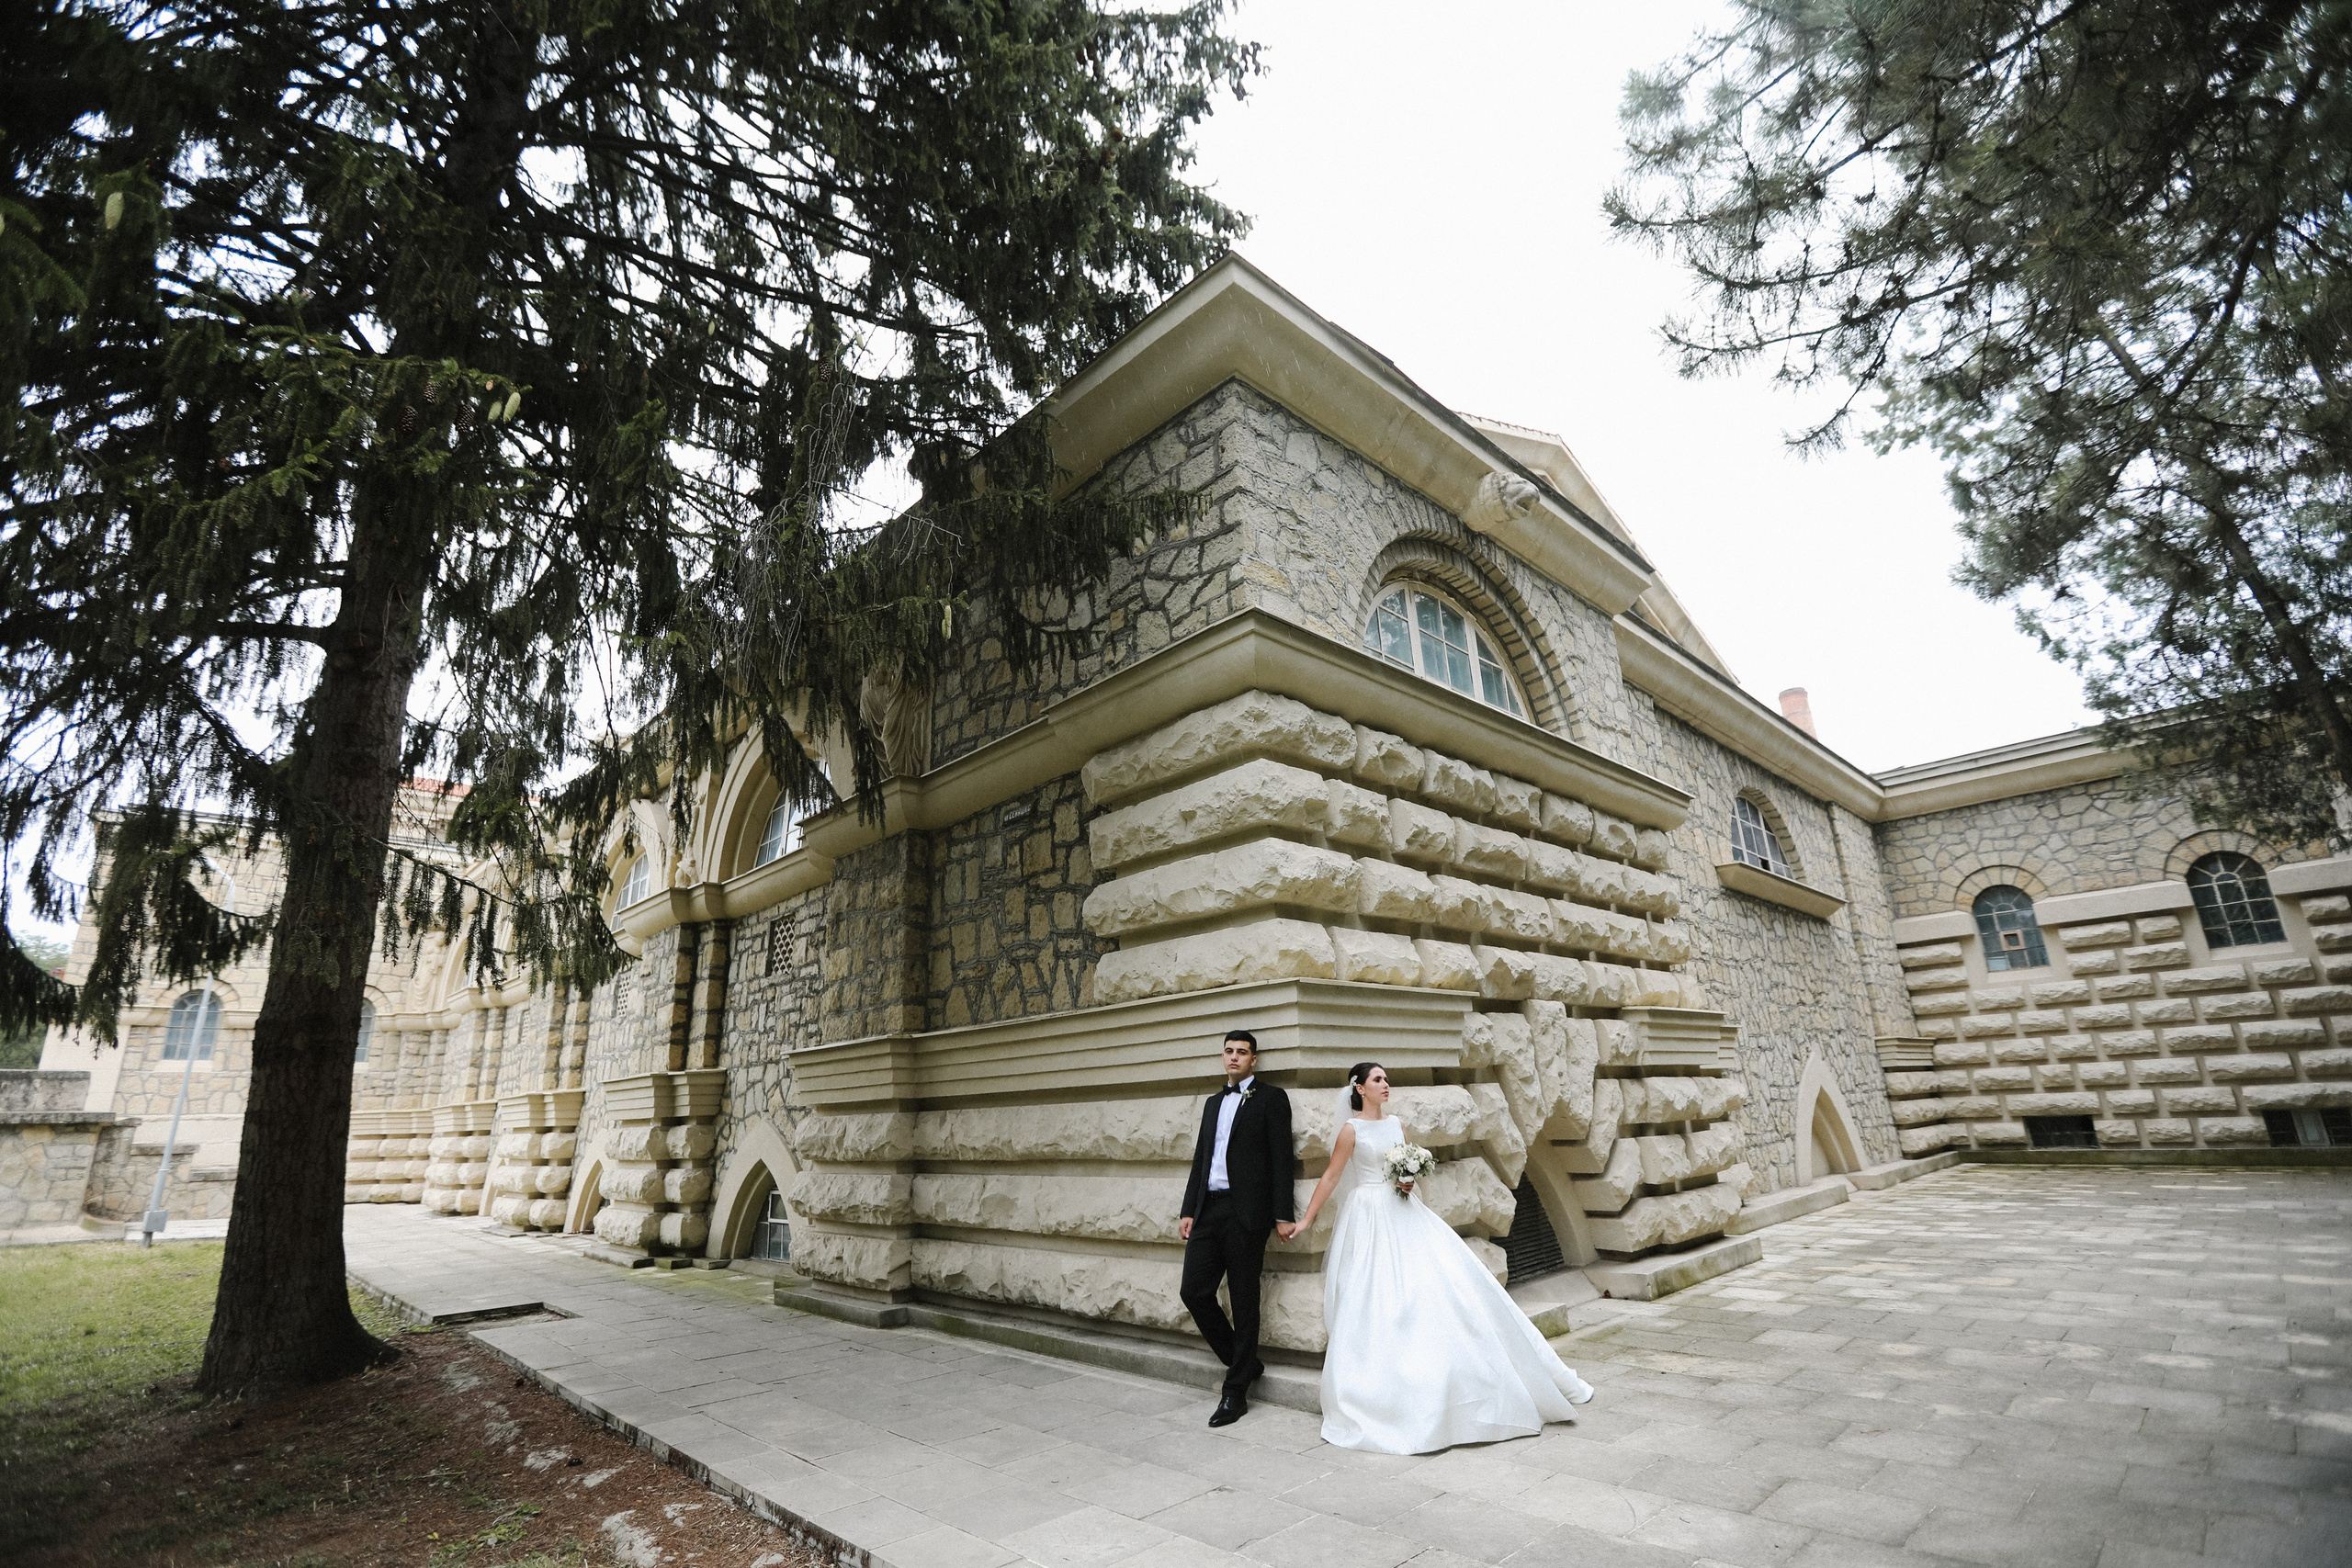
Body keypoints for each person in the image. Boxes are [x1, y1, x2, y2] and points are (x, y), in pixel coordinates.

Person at [1279, 1060, 1594, 1453]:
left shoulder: (1397, 1125)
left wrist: (1407, 1179)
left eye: (1386, 1079)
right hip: (1368, 1217)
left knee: (1437, 1286)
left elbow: (1404, 1174)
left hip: (1402, 1211)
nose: (1385, 1084)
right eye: (1377, 1079)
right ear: (1359, 1088)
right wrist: (1306, 1220)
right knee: (1373, 1295)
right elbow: (1331, 1177)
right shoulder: (1351, 1130)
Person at [1178, 1028, 1294, 1427]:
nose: (1234, 1058)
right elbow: (1201, 1159)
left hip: (1247, 1215)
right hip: (1209, 1210)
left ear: (1253, 1060)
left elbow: (1282, 1160)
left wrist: (1282, 1214)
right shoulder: (1213, 1103)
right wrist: (1189, 1209)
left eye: (1242, 1052)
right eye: (1228, 1051)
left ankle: (1235, 1392)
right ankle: (1243, 1362)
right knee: (1193, 1290)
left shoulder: (1271, 1099)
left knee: (1245, 1299)